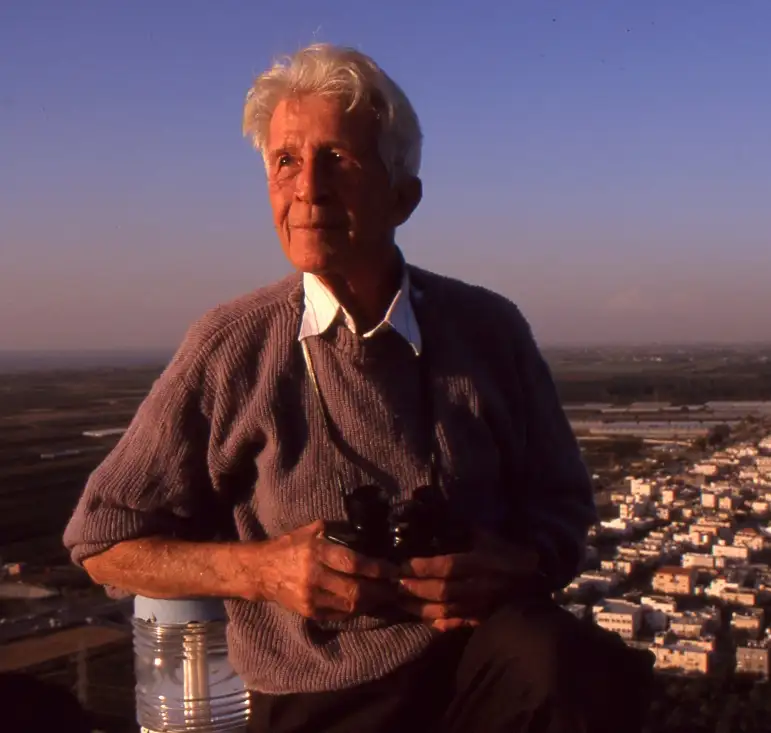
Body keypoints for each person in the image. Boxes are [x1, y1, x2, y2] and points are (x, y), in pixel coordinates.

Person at [62, 43, 654, 733]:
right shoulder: (232, 347)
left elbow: (561, 503)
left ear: (403, 196)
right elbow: (102, 537)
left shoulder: (488, 330)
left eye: (338, 160)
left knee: (567, 660)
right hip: (321, 699)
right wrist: (263, 572)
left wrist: (517, 565)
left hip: (482, 669)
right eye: (286, 161)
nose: (307, 188)